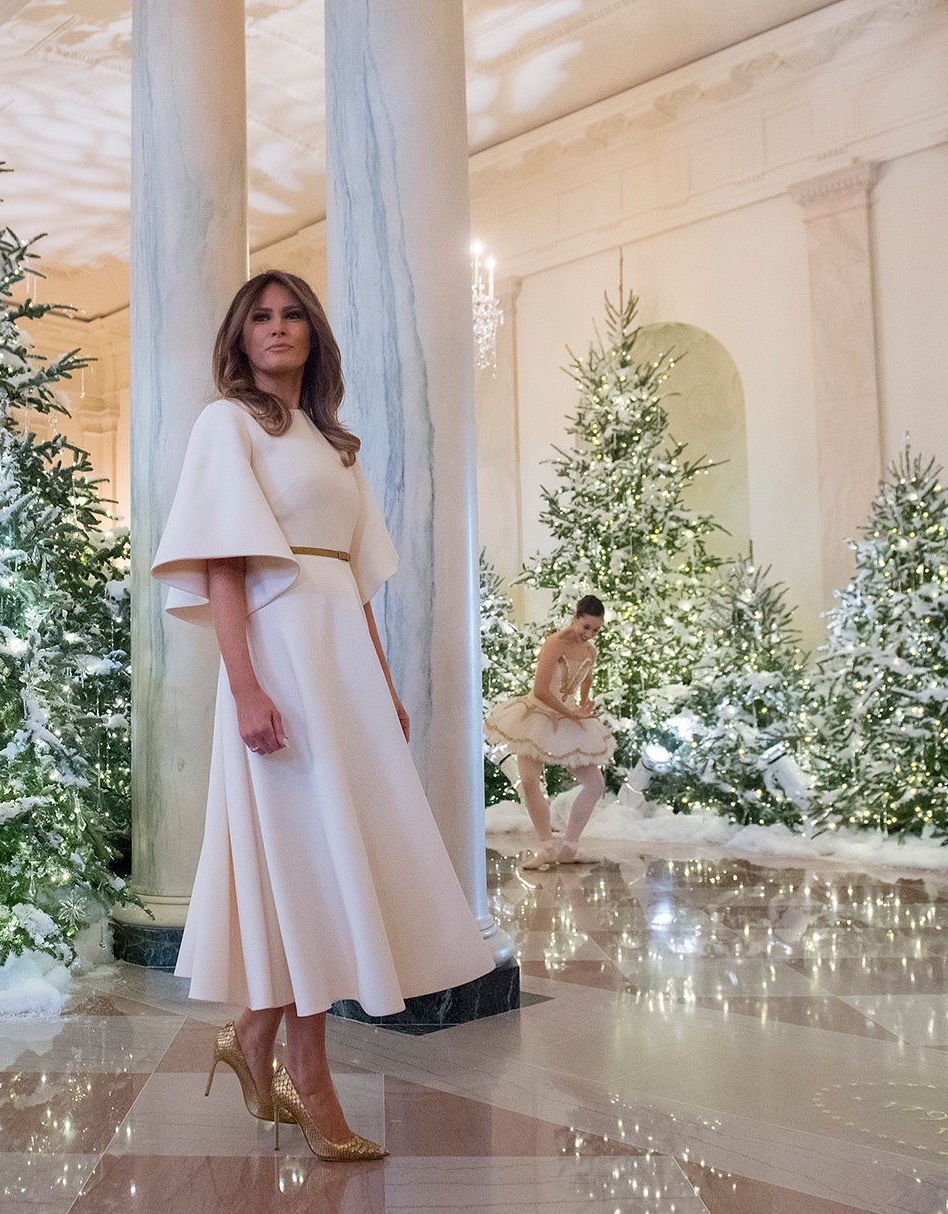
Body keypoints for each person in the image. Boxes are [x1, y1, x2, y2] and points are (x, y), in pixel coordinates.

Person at [150, 269, 494, 1162]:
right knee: (302, 861)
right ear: (239, 335)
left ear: (314, 334)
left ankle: (254, 1035)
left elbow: (357, 583)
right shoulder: (226, 423)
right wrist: (247, 686)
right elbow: (224, 564)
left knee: (334, 860)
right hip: (278, 658)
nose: (277, 328)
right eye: (260, 317)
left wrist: (380, 686)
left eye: (292, 314)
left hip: (339, 664)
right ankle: (310, 1076)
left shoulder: (335, 444)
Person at [484, 597, 616, 869]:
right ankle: (547, 847)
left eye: (596, 630)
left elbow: (585, 681)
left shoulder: (590, 651)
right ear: (575, 616)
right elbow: (541, 691)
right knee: (530, 782)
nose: (590, 635)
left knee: (595, 785)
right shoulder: (554, 644)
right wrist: (571, 713)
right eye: (587, 627)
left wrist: (584, 704)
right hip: (537, 716)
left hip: (569, 718)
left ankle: (570, 847)